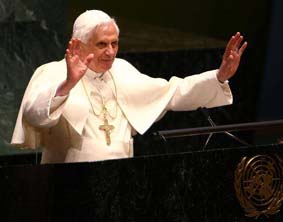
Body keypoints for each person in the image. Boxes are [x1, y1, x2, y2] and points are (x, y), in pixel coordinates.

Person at [11, 10, 247, 163]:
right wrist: (68, 83)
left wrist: (219, 76)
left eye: (114, 43)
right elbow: (35, 116)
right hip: (68, 184)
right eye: (102, 44)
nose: (110, 51)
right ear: (79, 45)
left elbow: (173, 92)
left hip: (121, 180)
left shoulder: (122, 70)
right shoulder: (52, 72)